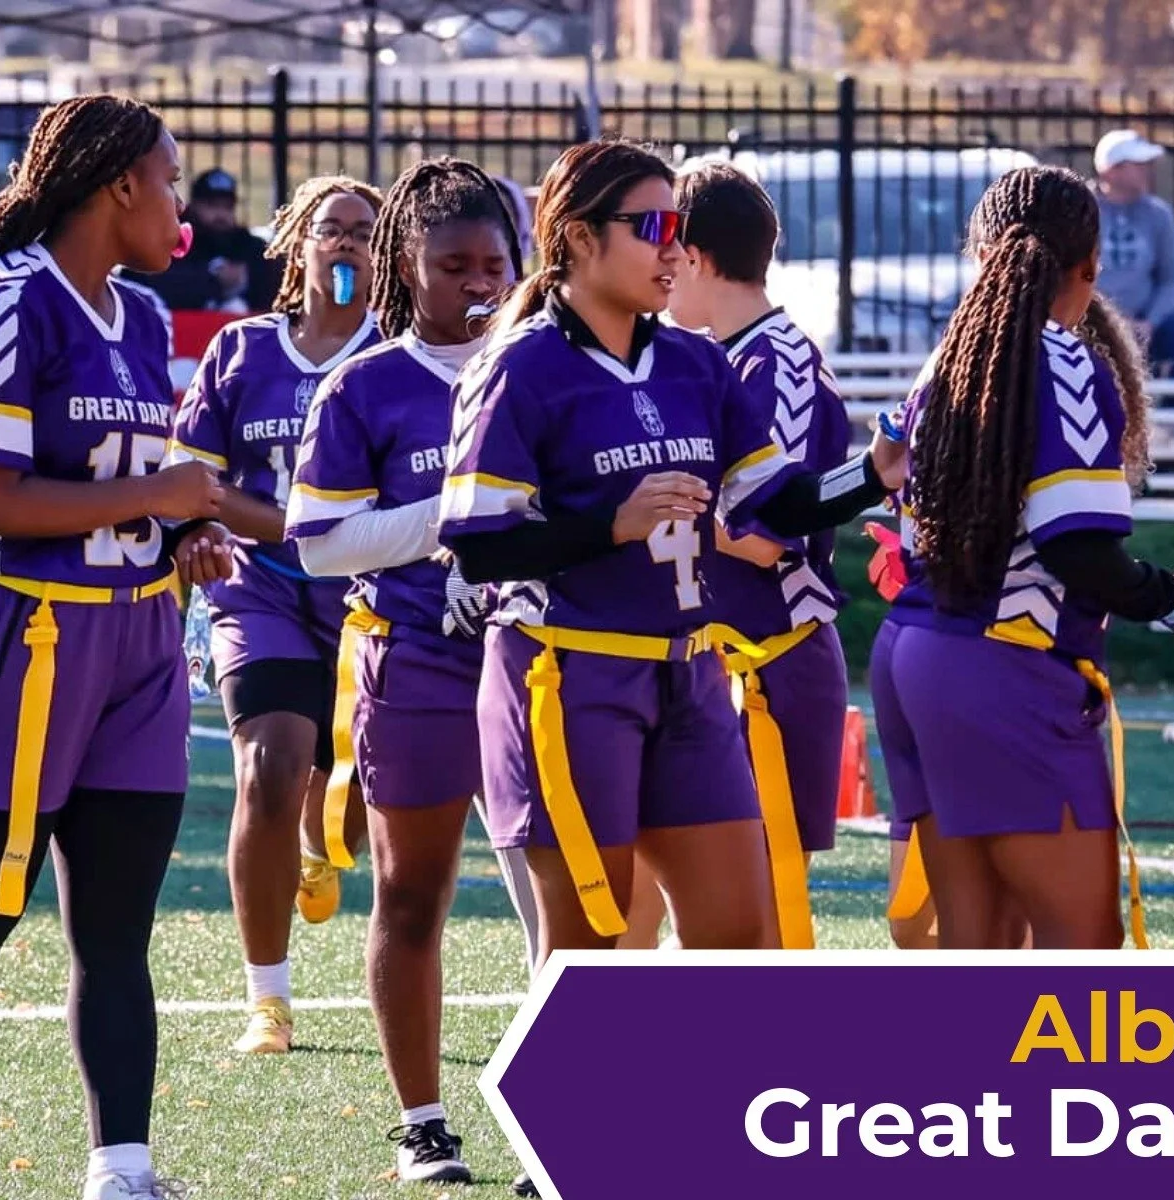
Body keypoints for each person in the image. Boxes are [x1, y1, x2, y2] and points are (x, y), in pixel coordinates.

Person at [0, 93, 231, 1200]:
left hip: (142, 642)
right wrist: (161, 491)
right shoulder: (6, 300)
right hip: (29, 633)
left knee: (118, 929)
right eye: (169, 178)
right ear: (118, 187)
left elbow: (126, 488)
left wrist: (187, 531)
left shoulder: (146, 319)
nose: (181, 203)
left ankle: (123, 1170)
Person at [437, 138, 906, 965]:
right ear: (578, 237)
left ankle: (703, 1098)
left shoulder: (693, 362)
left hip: (689, 677)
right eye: (651, 224)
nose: (675, 247)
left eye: (680, 226)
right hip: (568, 674)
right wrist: (611, 525)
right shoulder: (519, 368)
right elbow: (481, 549)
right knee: (591, 942)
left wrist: (871, 474)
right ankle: (580, 1097)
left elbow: (774, 503)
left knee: (739, 935)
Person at [871, 164, 1174, 952]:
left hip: (916, 654)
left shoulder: (952, 360)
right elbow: (1075, 545)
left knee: (979, 952)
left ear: (983, 257)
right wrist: (1163, 597)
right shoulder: (1062, 362)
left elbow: (884, 457)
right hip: (999, 671)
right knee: (1079, 960)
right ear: (1090, 264)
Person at [286, 157, 520, 1184]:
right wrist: (447, 527)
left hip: (545, 668)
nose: (479, 284)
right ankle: (424, 1121)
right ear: (404, 267)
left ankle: (563, 1123)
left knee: (560, 907)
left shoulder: (548, 365)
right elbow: (317, 541)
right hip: (417, 658)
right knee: (413, 896)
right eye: (454, 263)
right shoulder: (368, 383)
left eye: (495, 264)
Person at [165, 174, 381, 1056]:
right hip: (260, 584)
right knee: (272, 762)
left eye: (368, 234)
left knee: (356, 792)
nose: (349, 246)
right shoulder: (244, 351)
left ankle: (322, 840)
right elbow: (195, 479)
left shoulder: (399, 360)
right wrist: (282, 528)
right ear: (297, 243)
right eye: (333, 230)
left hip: (368, 593)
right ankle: (268, 999)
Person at [650, 159, 854, 951]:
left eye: (671, 252)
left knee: (758, 902)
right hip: (709, 660)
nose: (663, 273)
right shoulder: (717, 355)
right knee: (694, 898)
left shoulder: (779, 365)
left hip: (771, 662)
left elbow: (770, 536)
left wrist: (636, 514)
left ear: (697, 258)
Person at [1092, 130, 1174, 389]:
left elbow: (1170, 281)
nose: (1147, 171)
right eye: (1138, 165)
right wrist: (1108, 320)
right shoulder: (1081, 207)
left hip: (1147, 327)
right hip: (1090, 326)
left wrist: (1149, 323)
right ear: (1111, 170)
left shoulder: (1158, 214)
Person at [124, 167, 279, 313]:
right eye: (211, 205)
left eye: (227, 207)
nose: (220, 215)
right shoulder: (171, 240)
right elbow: (147, 282)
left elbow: (271, 289)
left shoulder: (247, 245)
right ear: (193, 206)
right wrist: (211, 279)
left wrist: (243, 280)